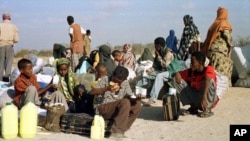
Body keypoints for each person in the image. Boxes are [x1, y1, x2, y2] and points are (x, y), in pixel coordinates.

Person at [90, 66, 141, 139]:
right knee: (125, 102)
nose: (116, 83)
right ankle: (116, 132)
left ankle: (123, 127)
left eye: (119, 82)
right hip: (102, 107)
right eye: (114, 80)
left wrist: (136, 99)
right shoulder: (105, 79)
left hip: (116, 107)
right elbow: (92, 92)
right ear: (112, 75)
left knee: (137, 105)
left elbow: (129, 96)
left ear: (124, 80)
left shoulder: (125, 83)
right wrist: (107, 88)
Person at [173, 51, 217, 118]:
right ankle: (193, 108)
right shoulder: (191, 71)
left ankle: (207, 109)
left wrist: (204, 96)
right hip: (197, 98)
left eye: (193, 62)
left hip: (206, 99)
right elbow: (178, 74)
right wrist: (177, 74)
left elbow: (207, 79)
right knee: (176, 80)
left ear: (200, 63)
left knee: (209, 81)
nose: (191, 64)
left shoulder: (208, 69)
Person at [143, 37, 180, 106]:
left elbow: (164, 64)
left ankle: (152, 98)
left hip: (171, 71)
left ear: (159, 46)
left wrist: (159, 56)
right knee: (147, 75)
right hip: (162, 71)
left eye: (155, 46)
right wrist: (150, 70)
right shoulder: (159, 53)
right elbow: (156, 66)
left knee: (159, 76)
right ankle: (142, 92)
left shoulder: (169, 52)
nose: (155, 47)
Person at [201, 7, 233, 86]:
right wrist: (230, 46)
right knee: (223, 70)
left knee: (212, 70)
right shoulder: (224, 24)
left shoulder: (214, 24)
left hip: (211, 52)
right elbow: (228, 37)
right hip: (220, 53)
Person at [0, 12, 19, 81]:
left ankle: (0, 78)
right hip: (9, 45)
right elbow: (16, 39)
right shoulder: (14, 26)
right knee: (9, 62)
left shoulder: (0, 25)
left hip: (1, 45)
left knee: (0, 62)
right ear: (9, 18)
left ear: (3, 18)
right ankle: (6, 77)